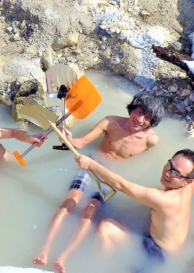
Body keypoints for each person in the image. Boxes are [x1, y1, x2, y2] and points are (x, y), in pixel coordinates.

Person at [32, 91, 164, 269]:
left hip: (110, 177)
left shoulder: (151, 140)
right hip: (90, 163)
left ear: (152, 122)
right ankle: (44, 248)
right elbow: (82, 142)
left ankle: (63, 256)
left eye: (147, 118)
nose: (140, 119)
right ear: (132, 109)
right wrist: (69, 139)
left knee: (90, 210)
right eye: (139, 112)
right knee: (71, 200)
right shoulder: (110, 122)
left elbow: (143, 164)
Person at [73, 149, 194, 273]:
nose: (168, 173)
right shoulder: (193, 181)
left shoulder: (164, 199)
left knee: (105, 228)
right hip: (173, 246)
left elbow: (122, 185)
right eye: (169, 165)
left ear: (187, 181)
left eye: (176, 173)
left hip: (156, 253)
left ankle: (101, 266)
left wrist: (91, 164)